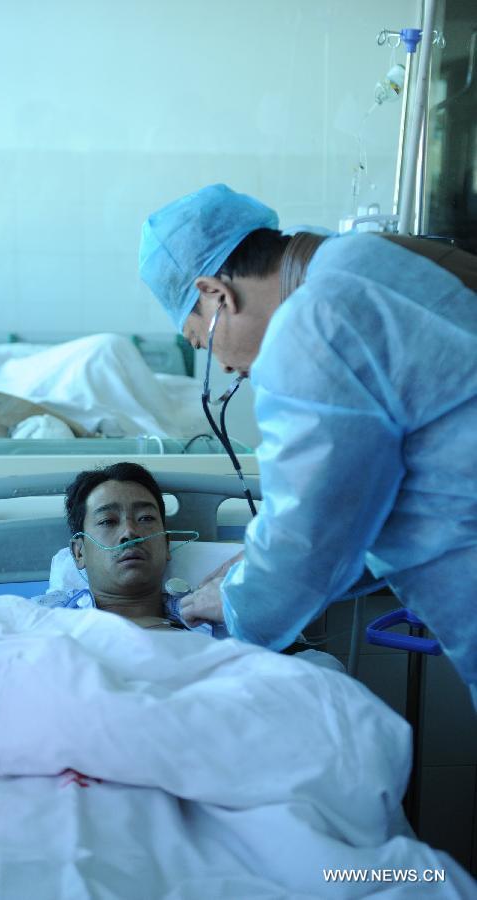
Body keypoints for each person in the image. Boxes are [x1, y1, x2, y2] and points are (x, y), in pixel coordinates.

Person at [139, 183, 477, 703]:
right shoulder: (361, 259)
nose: (225, 366)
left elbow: (310, 531)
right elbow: (354, 512)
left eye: (202, 345)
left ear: (216, 294)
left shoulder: (310, 327)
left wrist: (233, 602)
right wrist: (256, 572)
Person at [37, 462, 187, 631]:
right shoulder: (38, 619)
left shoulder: (210, 616)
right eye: (107, 521)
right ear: (79, 553)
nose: (129, 532)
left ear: (166, 545)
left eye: (145, 518)